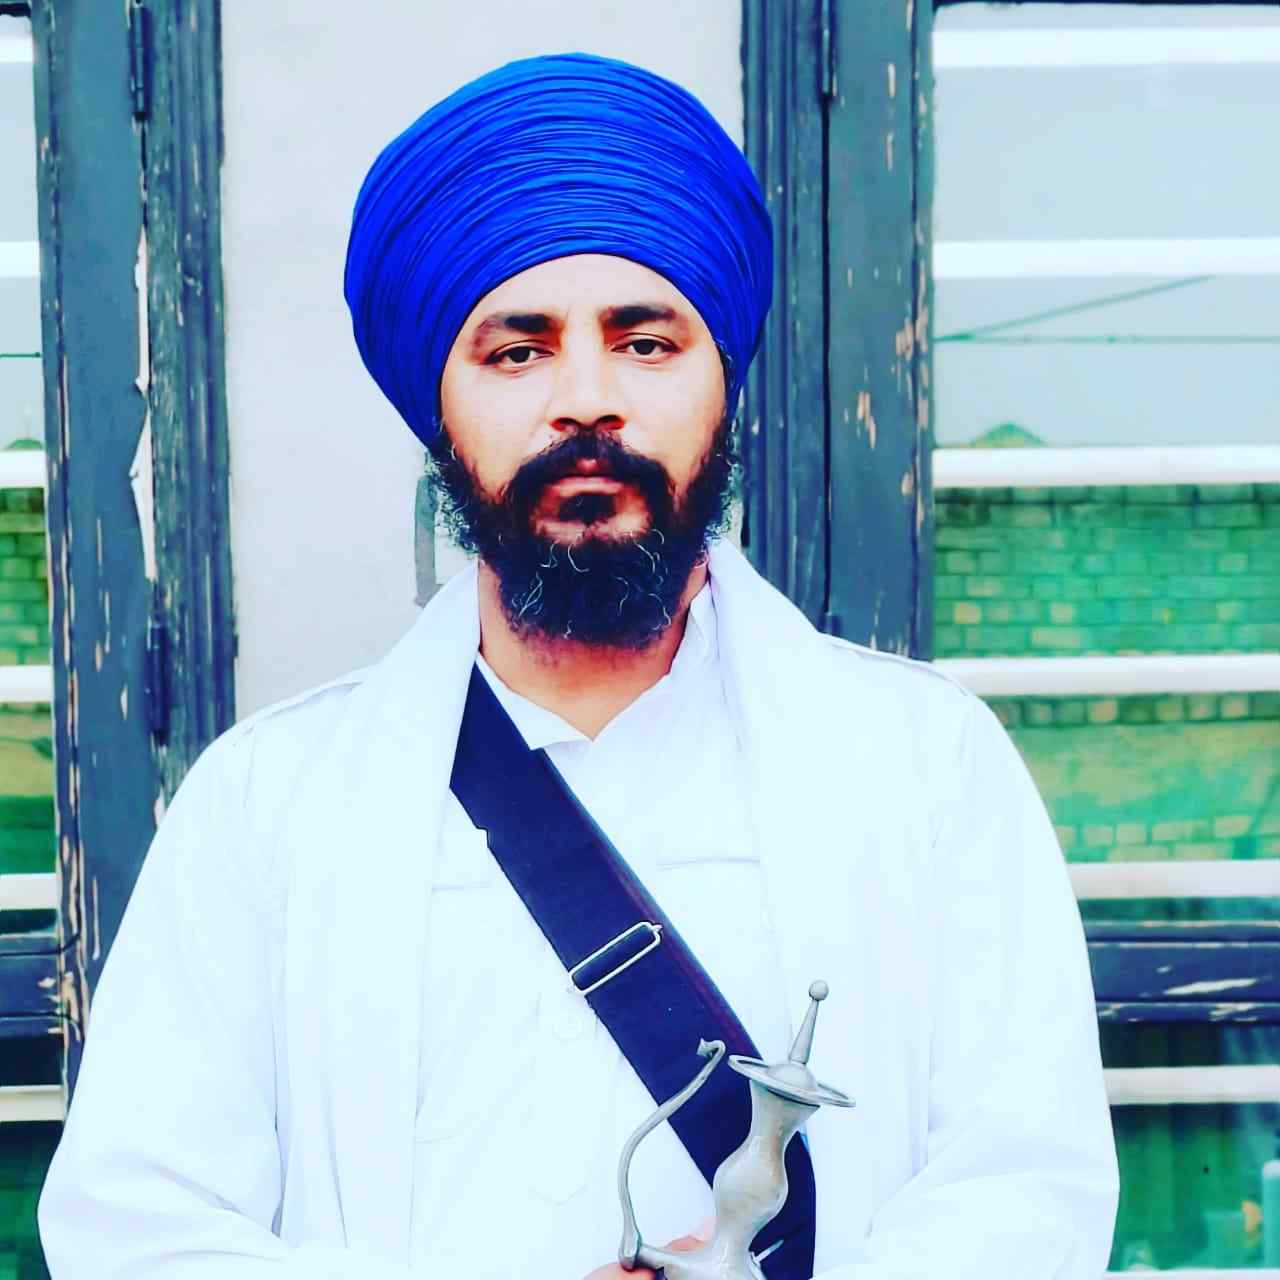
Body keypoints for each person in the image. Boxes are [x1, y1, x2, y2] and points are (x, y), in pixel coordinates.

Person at [37, 51, 1119, 1279]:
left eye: (645, 342)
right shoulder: (265, 806)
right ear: (438, 408)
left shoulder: (926, 766)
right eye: (518, 352)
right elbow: (137, 1228)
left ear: (722, 386)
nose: (587, 402)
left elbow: (1022, 1195)